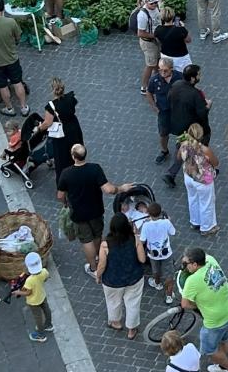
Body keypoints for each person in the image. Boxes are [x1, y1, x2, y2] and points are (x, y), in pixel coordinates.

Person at [176, 248, 228, 372]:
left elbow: (185, 304)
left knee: (209, 351)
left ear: (195, 265)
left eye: (187, 263)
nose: (186, 266)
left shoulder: (192, 281)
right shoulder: (211, 260)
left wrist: (198, 305)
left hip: (215, 321)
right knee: (224, 337)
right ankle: (221, 363)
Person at [56, 143, 120, 271]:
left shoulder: (66, 173)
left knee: (86, 240)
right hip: (96, 210)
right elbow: (109, 189)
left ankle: (93, 267)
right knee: (97, 235)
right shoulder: (95, 168)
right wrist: (120, 188)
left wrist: (65, 203)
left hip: (78, 213)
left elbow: (60, 195)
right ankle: (98, 256)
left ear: (73, 156)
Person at [94, 211, 147, 336]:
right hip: (134, 278)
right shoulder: (135, 239)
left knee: (113, 302)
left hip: (112, 280)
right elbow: (142, 259)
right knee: (133, 303)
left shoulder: (105, 244)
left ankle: (116, 322)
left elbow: (102, 265)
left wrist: (98, 276)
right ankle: (131, 329)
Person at [21, 250, 54, 342]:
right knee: (46, 310)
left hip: (33, 301)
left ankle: (40, 334)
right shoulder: (44, 271)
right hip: (42, 295)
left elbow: (27, 292)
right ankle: (48, 324)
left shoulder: (29, 280)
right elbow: (47, 278)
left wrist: (18, 292)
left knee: (38, 317)